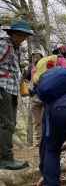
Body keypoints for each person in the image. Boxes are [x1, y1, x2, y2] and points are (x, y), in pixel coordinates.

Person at [0, 20, 33, 170]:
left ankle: (6, 156)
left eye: (24, 36)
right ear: (12, 33)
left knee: (10, 124)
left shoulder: (16, 48)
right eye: (19, 34)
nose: (22, 38)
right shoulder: (4, 45)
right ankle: (6, 159)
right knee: (7, 124)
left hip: (12, 90)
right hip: (3, 88)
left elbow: (14, 71)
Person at [23, 48, 45, 146]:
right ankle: (39, 141)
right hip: (34, 96)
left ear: (41, 56)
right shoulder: (30, 67)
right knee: (37, 121)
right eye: (33, 56)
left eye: (37, 55)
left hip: (44, 95)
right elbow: (26, 78)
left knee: (45, 118)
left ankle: (47, 139)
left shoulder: (45, 65)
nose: (35, 57)